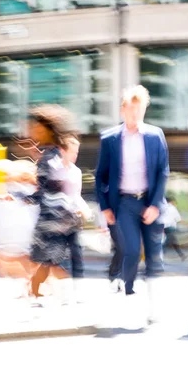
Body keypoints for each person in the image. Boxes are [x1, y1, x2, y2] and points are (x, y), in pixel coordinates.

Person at [95, 85, 169, 301]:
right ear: (123, 110)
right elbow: (101, 176)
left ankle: (154, 298)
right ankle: (129, 289)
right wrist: (105, 207)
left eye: (140, 109)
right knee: (132, 250)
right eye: (131, 109)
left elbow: (163, 171)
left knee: (154, 255)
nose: (135, 114)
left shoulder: (156, 136)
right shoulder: (109, 139)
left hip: (149, 200)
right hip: (125, 203)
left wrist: (155, 204)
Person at [21, 105, 81, 301]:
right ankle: (37, 291)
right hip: (53, 218)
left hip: (54, 220)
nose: (31, 130)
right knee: (46, 261)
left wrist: (26, 198)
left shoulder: (52, 155)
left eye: (34, 127)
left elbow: (51, 188)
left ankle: (38, 291)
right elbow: (46, 188)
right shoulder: (49, 153)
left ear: (46, 128)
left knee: (44, 260)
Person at [58, 135, 92, 299]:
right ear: (62, 151)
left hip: (72, 220)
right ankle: (58, 290)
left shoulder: (76, 172)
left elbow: (76, 196)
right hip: (55, 220)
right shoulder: (53, 170)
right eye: (72, 152)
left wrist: (84, 210)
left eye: (77, 153)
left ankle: (78, 290)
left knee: (77, 254)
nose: (75, 156)